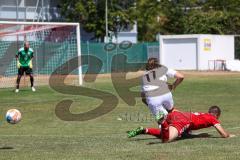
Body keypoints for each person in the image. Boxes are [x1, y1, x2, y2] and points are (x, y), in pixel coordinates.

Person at [127, 106, 235, 142]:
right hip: (183, 121)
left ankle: (144, 130)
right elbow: (223, 134)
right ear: (217, 115)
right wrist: (229, 135)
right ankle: (163, 121)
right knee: (166, 139)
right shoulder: (213, 118)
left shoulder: (203, 114)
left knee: (164, 134)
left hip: (177, 114)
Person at [141, 58, 184, 126]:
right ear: (158, 63)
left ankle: (167, 133)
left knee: (161, 119)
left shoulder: (144, 75)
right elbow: (181, 76)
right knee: (171, 110)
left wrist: (151, 106)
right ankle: (185, 123)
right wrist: (173, 86)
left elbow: (143, 98)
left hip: (152, 97)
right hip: (166, 93)